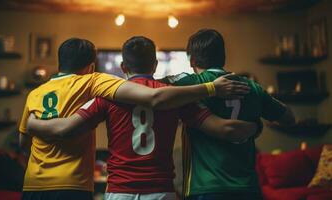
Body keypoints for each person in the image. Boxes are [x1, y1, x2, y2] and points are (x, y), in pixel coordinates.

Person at [26, 36, 260, 200]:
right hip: (160, 190)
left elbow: (67, 128)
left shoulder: (107, 96)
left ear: (122, 66)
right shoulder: (176, 97)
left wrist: (33, 124)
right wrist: (255, 126)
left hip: (119, 191)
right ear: (156, 65)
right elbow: (222, 128)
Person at [162, 29, 296, 200]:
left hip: (207, 187)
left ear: (192, 61)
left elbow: (150, 86)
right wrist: (257, 122)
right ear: (223, 57)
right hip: (248, 188)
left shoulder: (190, 83)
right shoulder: (252, 87)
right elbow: (289, 118)